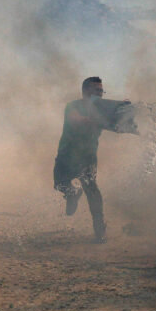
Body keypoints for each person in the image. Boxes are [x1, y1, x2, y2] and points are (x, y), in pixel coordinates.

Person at [53, 76, 125, 243]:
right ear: (85, 91)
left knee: (92, 190)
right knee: (59, 184)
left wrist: (123, 109)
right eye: (96, 90)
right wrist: (86, 120)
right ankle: (72, 194)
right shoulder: (73, 106)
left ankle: (99, 230)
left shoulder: (101, 110)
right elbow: (74, 118)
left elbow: (117, 119)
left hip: (87, 157)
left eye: (101, 91)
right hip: (67, 154)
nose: (99, 94)